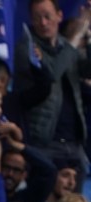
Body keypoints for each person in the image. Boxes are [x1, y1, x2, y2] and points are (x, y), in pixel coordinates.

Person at [14, 0, 91, 187]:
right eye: (37, 18)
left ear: (59, 16)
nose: (43, 23)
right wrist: (77, 35)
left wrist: (89, 37)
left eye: (47, 16)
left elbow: (87, 70)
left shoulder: (66, 46)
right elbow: (52, 74)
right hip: (44, 142)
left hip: (74, 141)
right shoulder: (26, 48)